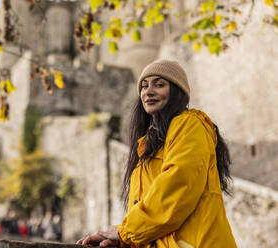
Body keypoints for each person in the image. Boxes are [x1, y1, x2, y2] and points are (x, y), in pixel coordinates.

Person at [76, 60, 237, 248]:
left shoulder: (189, 124)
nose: (148, 91)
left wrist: (126, 232)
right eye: (144, 86)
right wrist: (124, 240)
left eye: (159, 84)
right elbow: (154, 214)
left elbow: (177, 187)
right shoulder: (147, 145)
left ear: (177, 92)